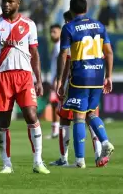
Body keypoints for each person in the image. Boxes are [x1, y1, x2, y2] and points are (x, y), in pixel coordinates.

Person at [0, 0, 50, 174]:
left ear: (18, 2)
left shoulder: (29, 25)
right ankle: (6, 164)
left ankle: (38, 161)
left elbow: (35, 54)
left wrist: (39, 80)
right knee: (3, 121)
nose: (6, 4)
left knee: (31, 115)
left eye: (10, 1)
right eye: (3, 1)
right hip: (2, 76)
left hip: (24, 76)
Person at [56, 0, 114, 168]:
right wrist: (108, 76)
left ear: (71, 10)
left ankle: (79, 160)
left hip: (80, 76)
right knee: (91, 113)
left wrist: (59, 80)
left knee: (78, 117)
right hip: (97, 76)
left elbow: (63, 55)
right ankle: (105, 142)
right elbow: (109, 52)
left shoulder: (69, 27)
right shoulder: (100, 26)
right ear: (87, 9)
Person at [50, 11, 104, 167]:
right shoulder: (93, 32)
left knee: (66, 118)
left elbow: (67, 62)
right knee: (90, 116)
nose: (66, 24)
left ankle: (65, 158)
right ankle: (99, 155)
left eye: (67, 20)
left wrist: (60, 82)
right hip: (93, 80)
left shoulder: (71, 33)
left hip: (74, 83)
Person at [46, 24, 61, 139]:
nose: (52, 34)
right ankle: (56, 130)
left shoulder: (59, 45)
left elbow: (62, 64)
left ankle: (57, 130)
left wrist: (56, 79)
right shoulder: (56, 45)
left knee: (55, 103)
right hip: (55, 78)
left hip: (58, 79)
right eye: (51, 32)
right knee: (54, 103)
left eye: (54, 32)